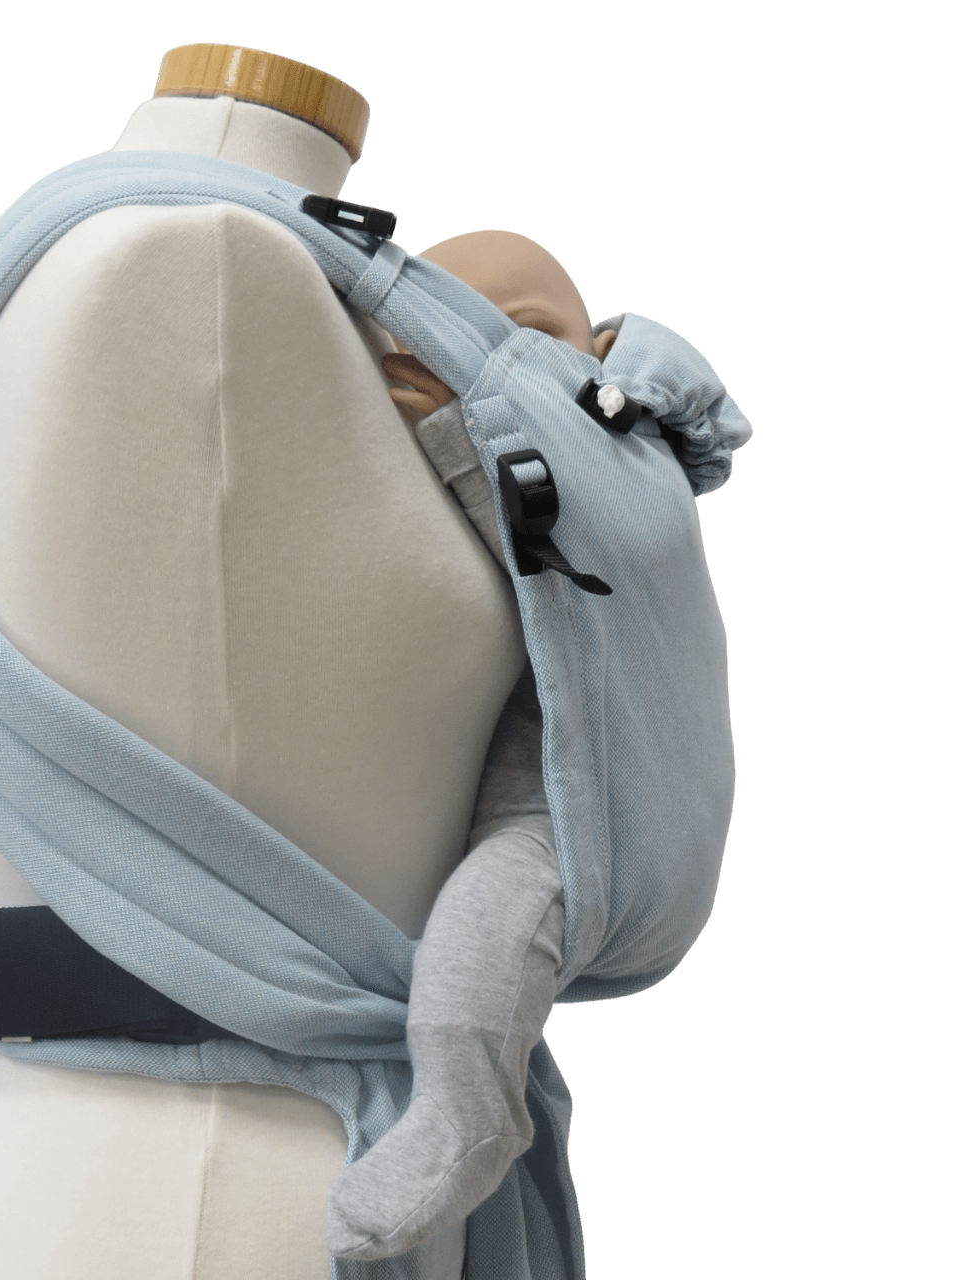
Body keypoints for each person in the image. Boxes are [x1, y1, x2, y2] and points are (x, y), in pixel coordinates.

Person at [326, 230, 616, 1261]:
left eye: (520, 333)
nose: (471, 357)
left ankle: (467, 1116)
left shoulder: (615, 452)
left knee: (489, 921)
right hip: (468, 775)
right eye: (424, 341)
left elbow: (551, 538)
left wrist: (453, 424)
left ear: (599, 353)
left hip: (574, 799)